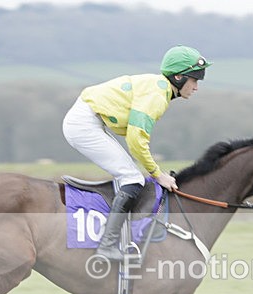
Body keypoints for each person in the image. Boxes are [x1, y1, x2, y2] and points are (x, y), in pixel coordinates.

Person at [62, 45, 212, 261]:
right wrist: (157, 173)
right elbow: (136, 140)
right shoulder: (157, 96)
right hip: (84, 123)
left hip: (90, 119)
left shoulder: (159, 88)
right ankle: (107, 245)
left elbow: (135, 139)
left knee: (130, 174)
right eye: (195, 80)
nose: (196, 87)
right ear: (178, 77)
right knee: (132, 178)